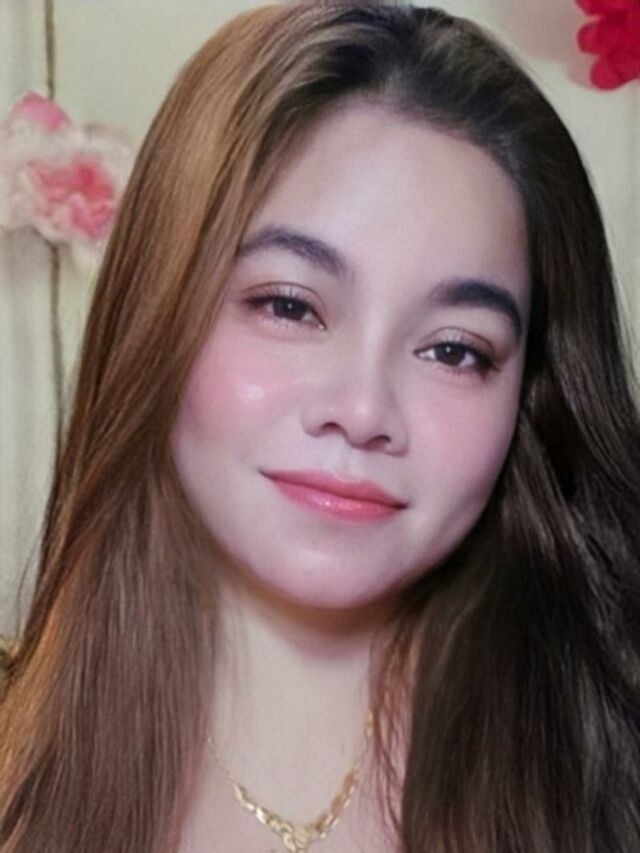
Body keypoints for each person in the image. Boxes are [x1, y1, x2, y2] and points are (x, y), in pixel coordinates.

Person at [1, 2, 639, 851]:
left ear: (531, 395)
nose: (364, 411)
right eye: (290, 306)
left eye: (454, 350)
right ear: (158, 308)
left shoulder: (611, 774)